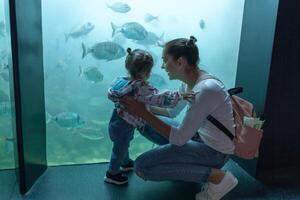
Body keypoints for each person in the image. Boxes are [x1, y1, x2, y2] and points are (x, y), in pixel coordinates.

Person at [120, 36, 238, 200]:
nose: (162, 66)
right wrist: (140, 107)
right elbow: (171, 112)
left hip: (215, 152)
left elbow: (179, 139)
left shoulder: (205, 89)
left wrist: (143, 112)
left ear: (180, 62)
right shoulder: (190, 81)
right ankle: (189, 171)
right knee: (144, 124)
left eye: (165, 60)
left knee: (142, 167)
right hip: (200, 138)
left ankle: (217, 177)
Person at [105, 48, 195, 185]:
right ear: (146, 73)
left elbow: (111, 94)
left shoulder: (120, 81)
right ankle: (112, 174)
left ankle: (125, 163)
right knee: (120, 146)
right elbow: (159, 99)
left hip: (117, 118)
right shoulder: (141, 88)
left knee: (123, 143)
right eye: (149, 71)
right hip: (125, 123)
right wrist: (180, 96)